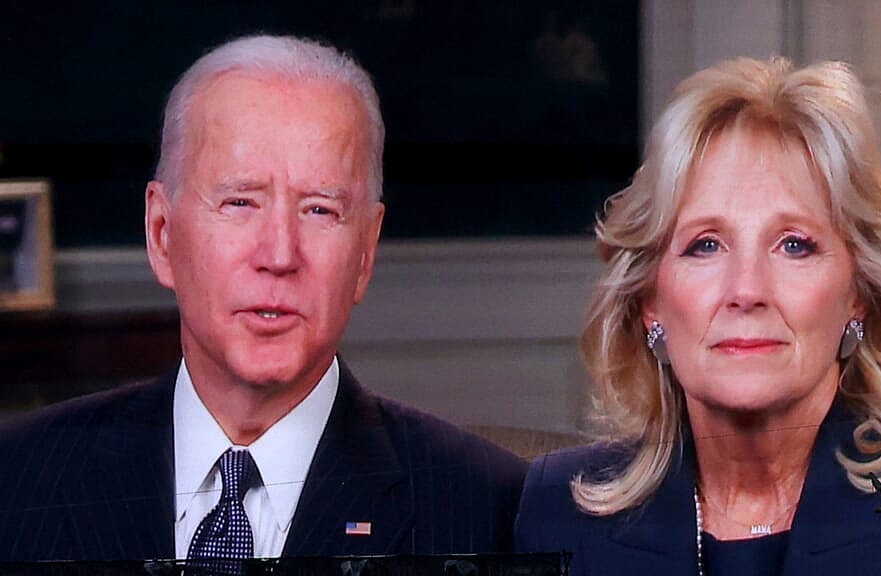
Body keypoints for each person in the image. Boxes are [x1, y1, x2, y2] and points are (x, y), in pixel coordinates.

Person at [0, 35, 525, 562]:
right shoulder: (18, 480)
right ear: (161, 234)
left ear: (366, 252)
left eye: (319, 210)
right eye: (240, 202)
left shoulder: (491, 509)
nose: (279, 254)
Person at [514, 57, 881, 575]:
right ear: (650, 302)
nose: (747, 290)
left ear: (859, 294)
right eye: (705, 245)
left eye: (795, 245)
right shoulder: (556, 515)